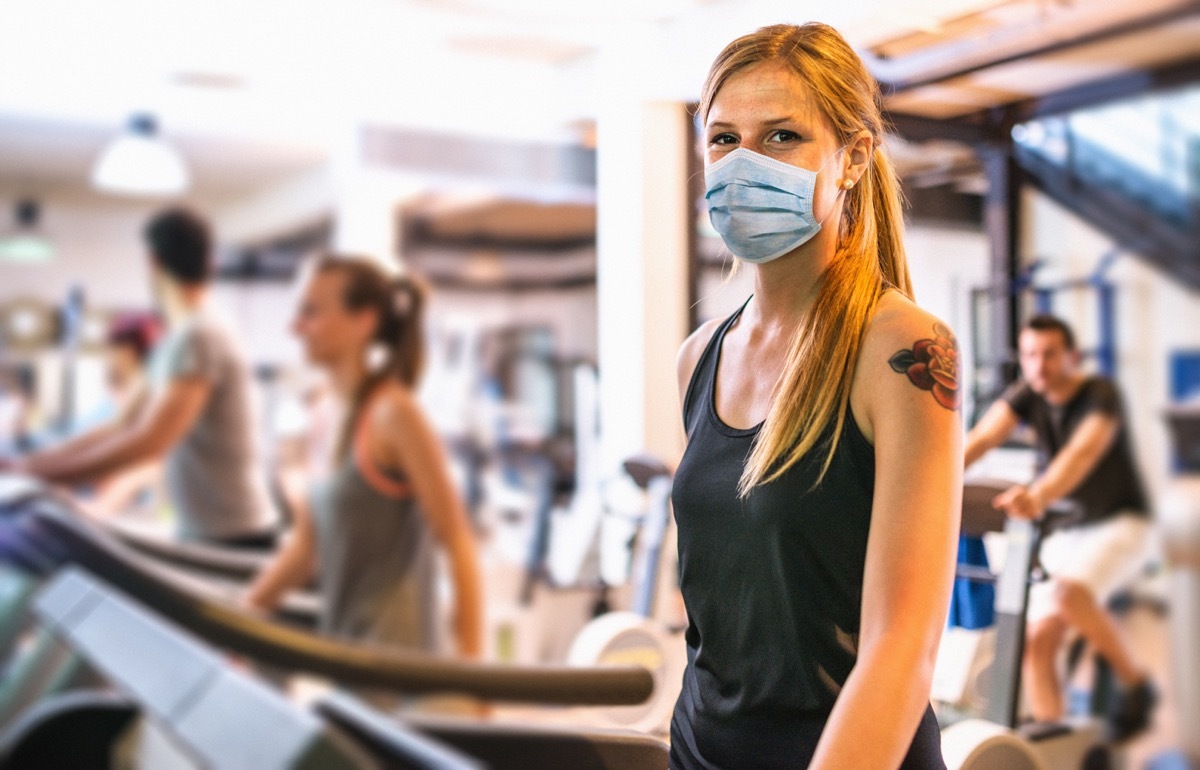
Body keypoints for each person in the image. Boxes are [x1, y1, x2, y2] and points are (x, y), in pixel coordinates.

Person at [671, 23, 961, 769]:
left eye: (781, 138)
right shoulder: (699, 358)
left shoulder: (902, 349)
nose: (742, 164)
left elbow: (901, 650)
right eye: (724, 139)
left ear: (854, 157)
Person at [244, 256, 483, 659]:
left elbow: (457, 540)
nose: (294, 327)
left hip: (404, 672)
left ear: (364, 322)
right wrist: (241, 615)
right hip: (349, 665)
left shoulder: (393, 414)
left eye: (310, 312)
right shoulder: (321, 413)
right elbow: (306, 548)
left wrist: (475, 676)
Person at [9, 207, 280, 547]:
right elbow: (120, 424)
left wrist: (35, 474)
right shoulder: (177, 337)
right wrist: (28, 464)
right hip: (205, 531)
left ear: (152, 261)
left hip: (234, 534)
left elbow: (150, 441)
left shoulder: (202, 333)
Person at [964, 314, 1156, 740]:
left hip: (1120, 524)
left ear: (1071, 357)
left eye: (1050, 354)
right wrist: (931, 481)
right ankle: (1053, 741)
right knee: (1036, 642)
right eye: (1030, 355)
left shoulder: (1099, 395)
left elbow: (1081, 455)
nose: (1039, 365)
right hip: (1068, 531)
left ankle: (1136, 687)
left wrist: (1036, 495)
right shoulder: (1027, 393)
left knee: (1069, 595)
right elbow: (981, 438)